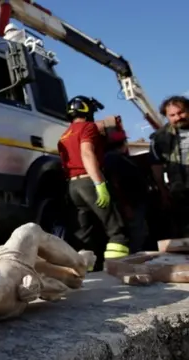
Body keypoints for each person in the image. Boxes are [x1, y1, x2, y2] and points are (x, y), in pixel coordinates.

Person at [57, 96, 130, 266]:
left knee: (84, 232)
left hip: (73, 186)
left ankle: (85, 270)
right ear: (87, 111)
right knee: (116, 229)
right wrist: (99, 183)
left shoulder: (64, 135)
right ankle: (117, 267)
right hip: (89, 182)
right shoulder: (88, 127)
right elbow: (87, 153)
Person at [103, 130, 150, 253]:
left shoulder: (119, 158)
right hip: (130, 204)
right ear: (123, 143)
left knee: (140, 232)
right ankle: (134, 260)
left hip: (133, 203)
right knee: (136, 234)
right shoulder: (113, 159)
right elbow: (116, 184)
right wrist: (126, 205)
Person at [149, 95, 189, 238]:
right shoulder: (160, 137)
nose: (178, 117)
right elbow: (156, 165)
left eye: (181, 112)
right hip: (180, 190)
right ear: (166, 116)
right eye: (172, 115)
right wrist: (163, 190)